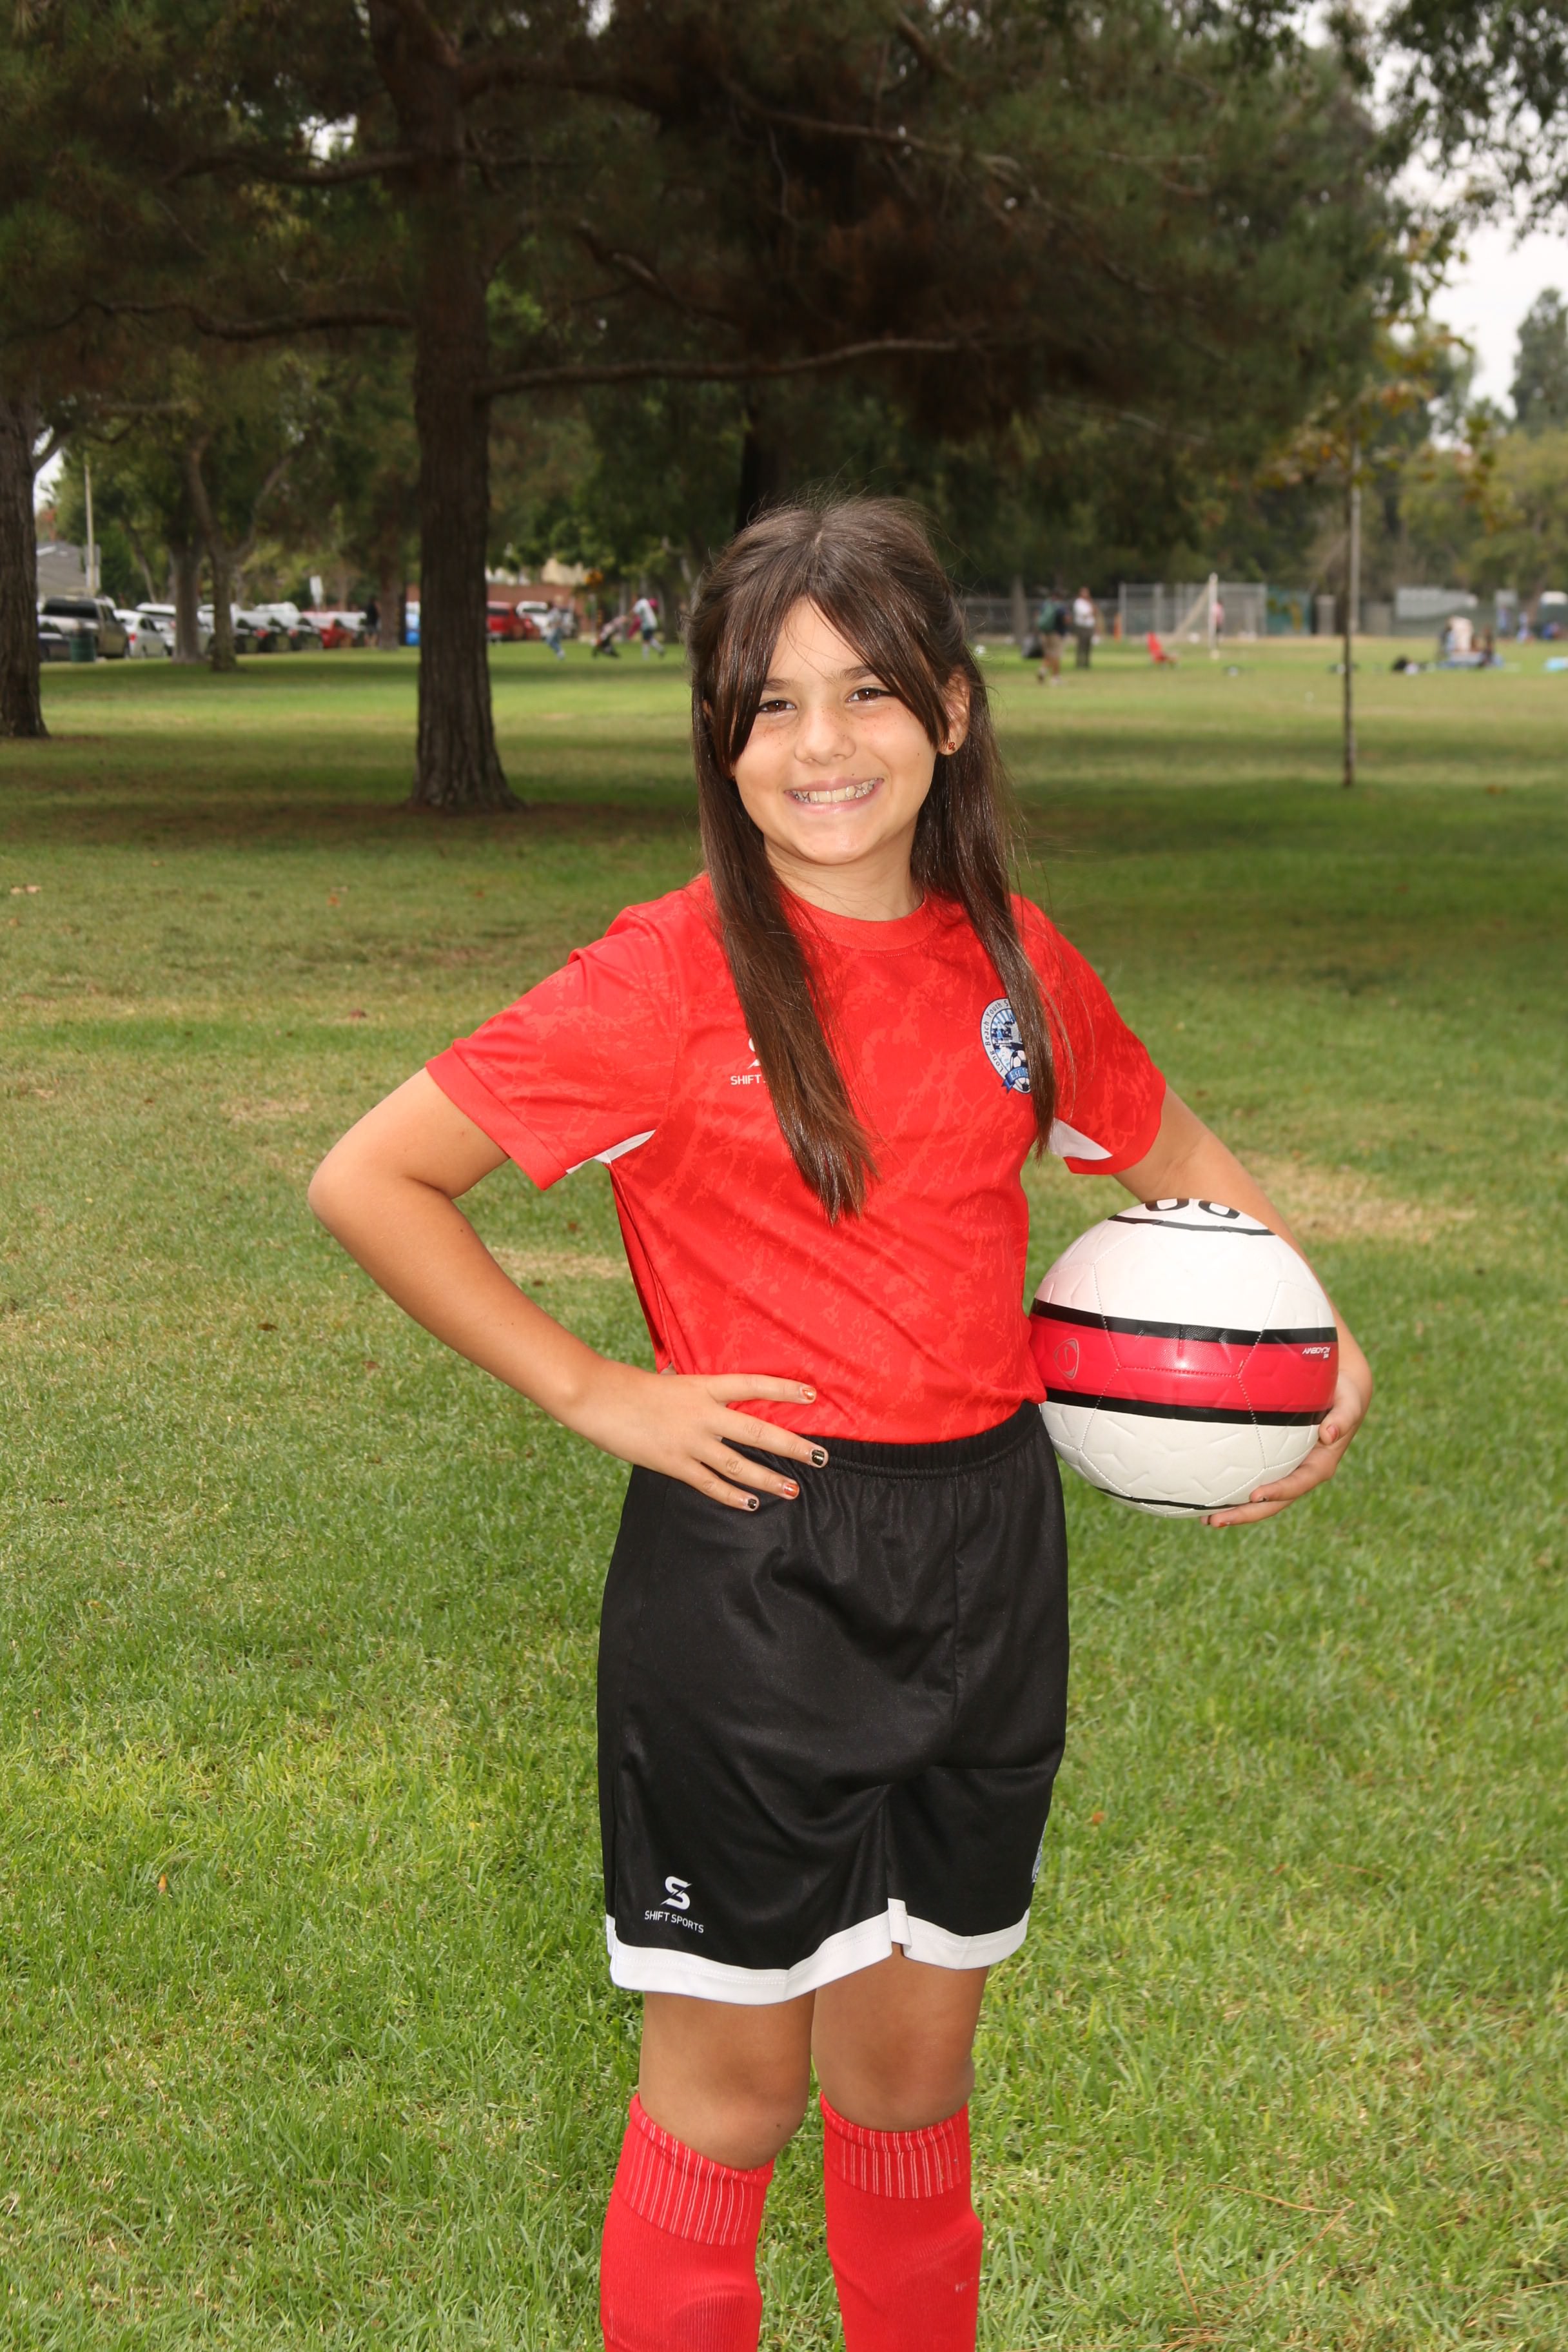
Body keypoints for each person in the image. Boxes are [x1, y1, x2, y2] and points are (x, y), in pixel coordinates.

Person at [308, 498, 1371, 2352]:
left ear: (950, 709)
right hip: (756, 1577)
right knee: (731, 2098)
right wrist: (595, 1388)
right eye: (771, 704)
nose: (821, 745)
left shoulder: (1011, 960)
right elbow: (374, 1177)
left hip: (986, 1561)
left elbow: (1167, 1143)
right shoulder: (664, 976)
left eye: (867, 693)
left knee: (910, 2080)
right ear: (722, 739)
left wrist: (1312, 1325)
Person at [1035, 593, 1064, 685]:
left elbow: (1038, 616)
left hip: (1044, 633)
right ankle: (1055, 677)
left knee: (1048, 655)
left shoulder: (1045, 605)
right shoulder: (1059, 606)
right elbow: (1066, 618)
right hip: (1056, 634)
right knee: (1056, 655)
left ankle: (1043, 670)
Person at [1071, 585, 1099, 669]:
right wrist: (1091, 611)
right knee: (1081, 645)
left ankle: (1087, 663)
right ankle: (1080, 663)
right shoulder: (1078, 602)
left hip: (1089, 626)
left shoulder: (1089, 602)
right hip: (1082, 626)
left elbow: (1094, 612)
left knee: (1088, 646)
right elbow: (1084, 614)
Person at [632, 592, 665, 658]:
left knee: (646, 640)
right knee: (649, 639)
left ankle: (646, 657)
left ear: (637, 597)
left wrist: (626, 617)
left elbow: (635, 612)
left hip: (647, 624)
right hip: (652, 623)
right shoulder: (645, 601)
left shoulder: (640, 603)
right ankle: (660, 649)